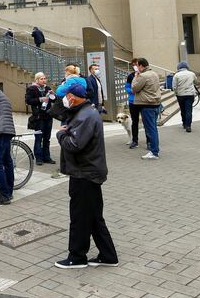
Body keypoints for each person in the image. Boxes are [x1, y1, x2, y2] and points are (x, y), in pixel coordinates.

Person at [54, 82, 118, 269]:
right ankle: (108, 255)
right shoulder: (85, 112)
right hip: (88, 171)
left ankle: (77, 257)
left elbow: (74, 144)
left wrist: (60, 135)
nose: (63, 99)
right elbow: (58, 113)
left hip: (84, 173)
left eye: (65, 96)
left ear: (72, 97)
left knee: (80, 217)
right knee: (93, 216)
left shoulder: (86, 115)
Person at [131, 58, 161, 159]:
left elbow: (134, 88)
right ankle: (155, 149)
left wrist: (136, 76)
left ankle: (154, 152)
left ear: (141, 66)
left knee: (150, 129)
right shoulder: (154, 73)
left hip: (147, 105)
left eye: (137, 65)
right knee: (153, 128)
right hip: (155, 103)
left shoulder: (143, 76)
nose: (137, 67)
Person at [25, 72, 56, 165]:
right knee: (38, 138)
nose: (44, 80)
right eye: (41, 79)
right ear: (37, 80)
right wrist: (41, 99)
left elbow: (54, 100)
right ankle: (38, 157)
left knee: (47, 138)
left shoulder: (48, 88)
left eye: (44, 78)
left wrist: (53, 95)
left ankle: (47, 157)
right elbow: (28, 101)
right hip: (38, 117)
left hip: (48, 116)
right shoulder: (31, 88)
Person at [172, 61, 197, 133]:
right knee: (189, 110)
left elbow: (174, 86)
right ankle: (188, 125)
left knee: (183, 109)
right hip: (190, 94)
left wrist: (176, 92)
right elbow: (195, 82)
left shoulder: (176, 75)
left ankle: (184, 123)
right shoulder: (192, 74)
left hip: (180, 95)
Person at [125, 59, 141, 148]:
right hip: (132, 101)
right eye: (133, 64)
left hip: (143, 101)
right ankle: (135, 140)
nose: (135, 66)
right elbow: (127, 87)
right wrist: (132, 91)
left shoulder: (144, 75)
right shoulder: (130, 76)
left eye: (136, 64)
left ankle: (149, 141)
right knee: (134, 122)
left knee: (146, 121)